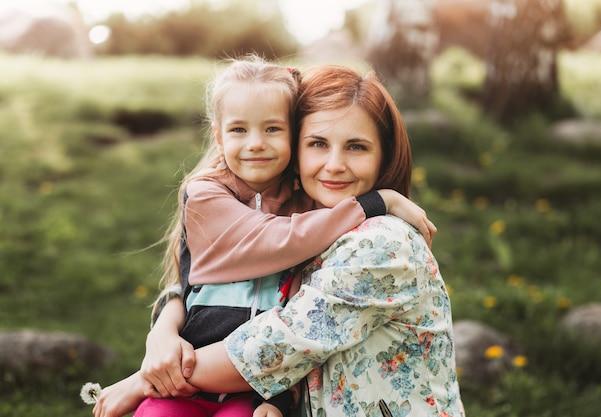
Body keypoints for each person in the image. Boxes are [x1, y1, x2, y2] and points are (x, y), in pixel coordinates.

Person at [93, 58, 437, 417]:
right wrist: (163, 329)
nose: (334, 164)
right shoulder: (221, 195)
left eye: (356, 146)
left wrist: (144, 380)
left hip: (257, 389)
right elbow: (190, 280)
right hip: (217, 381)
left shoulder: (377, 242)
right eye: (318, 143)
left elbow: (283, 342)